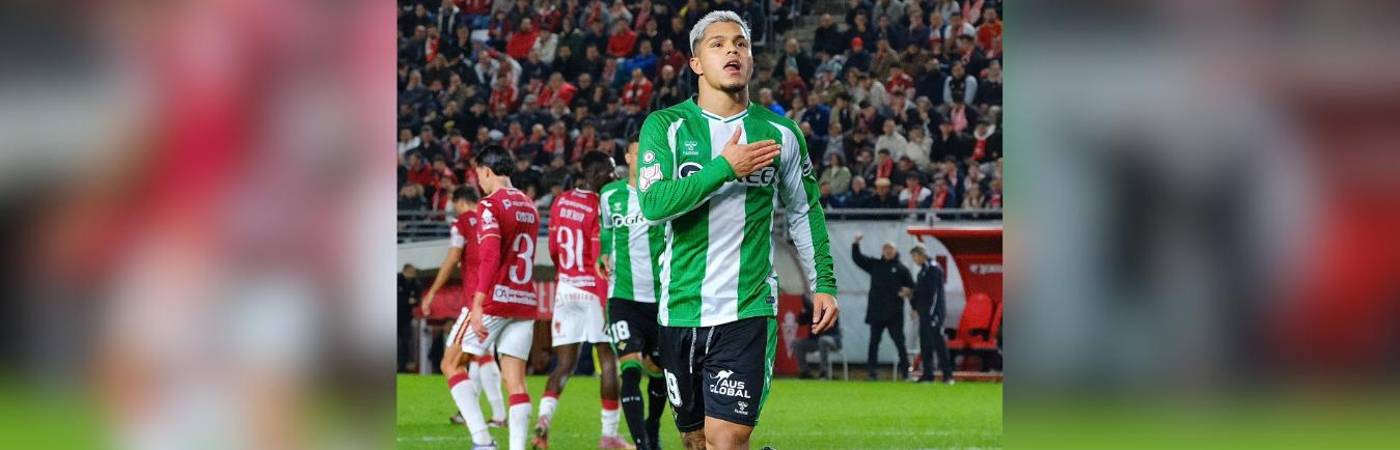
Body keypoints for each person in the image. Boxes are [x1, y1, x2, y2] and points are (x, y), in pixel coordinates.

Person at [634, 12, 839, 450]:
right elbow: (653, 205)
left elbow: (805, 211)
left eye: (741, 44)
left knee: (726, 438)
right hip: (680, 308)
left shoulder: (780, 133)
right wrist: (725, 168)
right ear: (695, 63)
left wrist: (823, 282)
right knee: (695, 440)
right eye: (718, 44)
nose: (732, 50)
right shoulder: (665, 127)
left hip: (746, 309)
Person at [534, 151, 630, 449]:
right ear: (598, 172)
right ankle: (609, 434)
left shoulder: (561, 201)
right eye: (611, 172)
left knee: (563, 364)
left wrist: (566, 273)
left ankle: (543, 420)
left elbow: (552, 247)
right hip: (592, 289)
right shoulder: (599, 206)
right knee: (608, 359)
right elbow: (598, 256)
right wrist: (605, 300)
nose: (615, 177)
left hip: (565, 287)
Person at [456, 146, 542, 450]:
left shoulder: (490, 205)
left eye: (478, 173)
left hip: (495, 300)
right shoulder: (529, 205)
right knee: (515, 382)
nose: (478, 180)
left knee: (451, 363)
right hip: (524, 301)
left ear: (487, 171)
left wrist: (477, 303)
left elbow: (490, 256)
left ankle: (482, 441)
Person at [599, 141, 669, 450]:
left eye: (648, 154)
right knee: (629, 368)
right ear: (628, 157)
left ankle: (652, 430)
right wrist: (603, 253)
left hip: (659, 299)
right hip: (623, 297)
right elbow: (605, 231)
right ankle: (641, 444)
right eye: (637, 153)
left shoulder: (663, 194)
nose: (642, 158)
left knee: (659, 371)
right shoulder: (610, 195)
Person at [421, 187, 508, 429]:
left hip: (477, 299)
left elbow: (452, 258)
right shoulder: (492, 217)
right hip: (500, 292)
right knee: (478, 354)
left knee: (453, 360)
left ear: (459, 202)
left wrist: (433, 292)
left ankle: (489, 419)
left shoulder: (461, 223)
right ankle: (474, 412)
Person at [850, 233, 913, 380]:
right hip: (877, 312)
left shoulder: (902, 269)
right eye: (885, 249)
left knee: (900, 343)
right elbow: (858, 259)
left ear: (895, 251)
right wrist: (855, 244)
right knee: (873, 343)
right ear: (882, 251)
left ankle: (906, 372)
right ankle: (872, 372)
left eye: (890, 249)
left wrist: (908, 292)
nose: (888, 251)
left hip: (894, 314)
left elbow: (911, 287)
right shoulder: (875, 265)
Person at [906, 244, 954, 384]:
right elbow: (919, 291)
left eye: (914, 256)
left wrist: (934, 314)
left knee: (939, 344)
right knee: (925, 344)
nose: (914, 260)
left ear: (921, 255)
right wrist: (915, 306)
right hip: (924, 313)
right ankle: (928, 374)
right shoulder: (923, 271)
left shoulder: (934, 269)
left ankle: (948, 375)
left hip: (934, 314)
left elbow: (934, 294)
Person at [794, 293, 843, 379]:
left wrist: (811, 309)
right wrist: (804, 312)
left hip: (833, 340)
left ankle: (824, 372)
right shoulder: (812, 310)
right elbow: (800, 322)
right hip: (815, 342)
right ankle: (805, 372)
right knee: (797, 344)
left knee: (823, 340)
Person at [398, 264, 423, 372]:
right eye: (411, 272)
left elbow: (417, 299)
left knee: (405, 342)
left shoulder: (415, 283)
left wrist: (412, 301)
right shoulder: (396, 280)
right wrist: (407, 300)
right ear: (405, 271)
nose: (413, 275)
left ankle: (402, 366)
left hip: (406, 318)